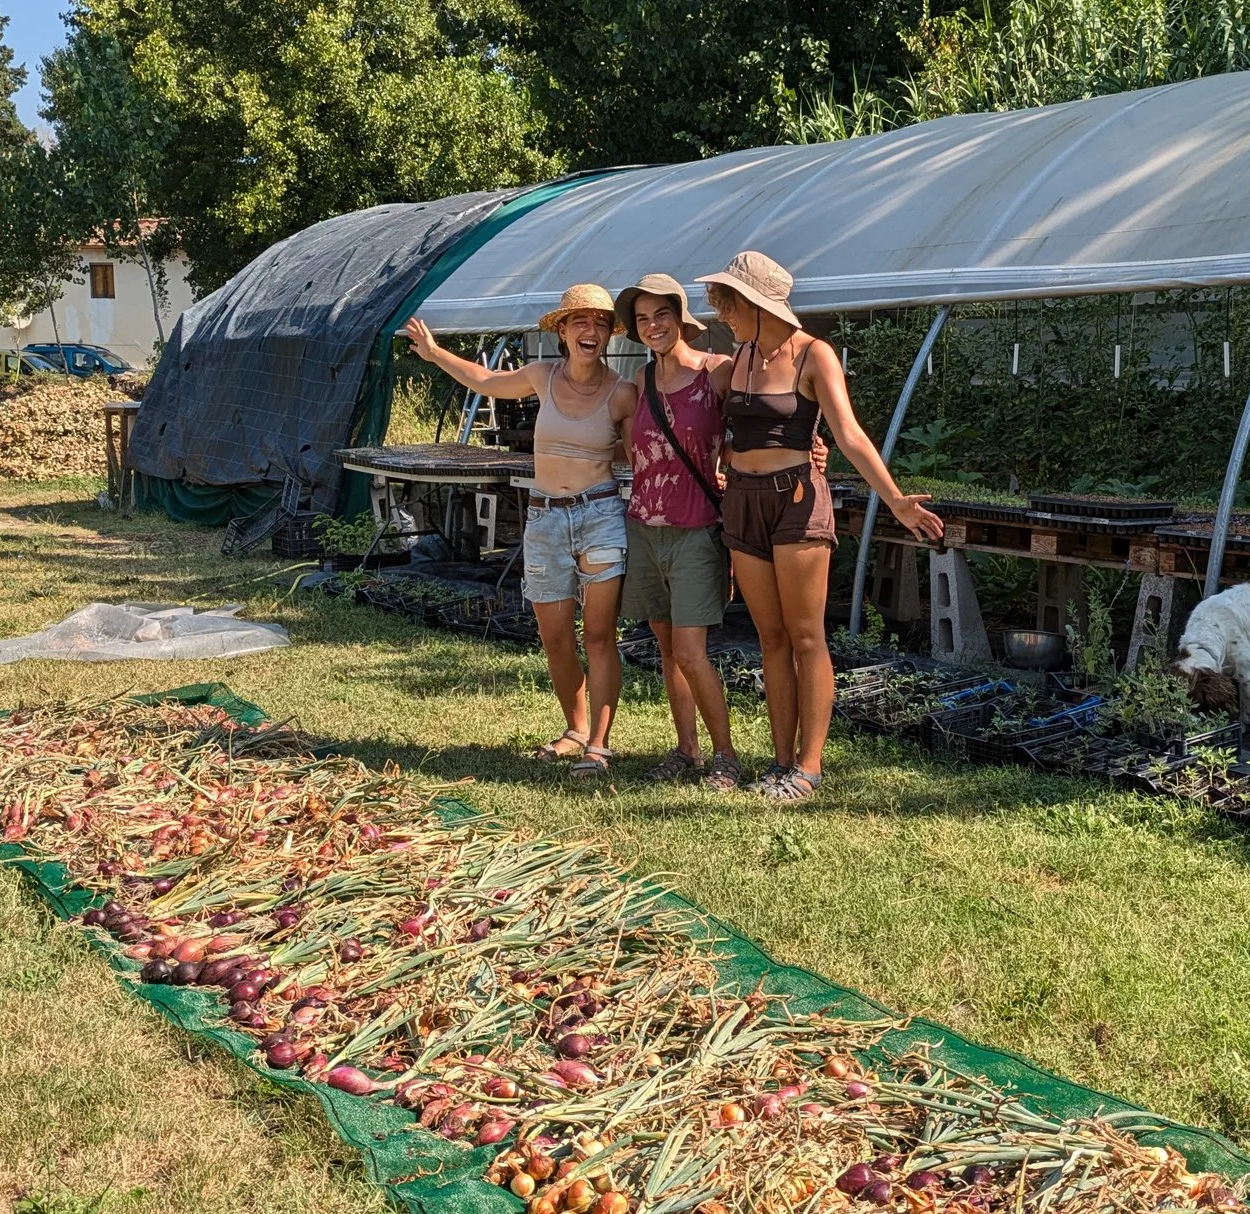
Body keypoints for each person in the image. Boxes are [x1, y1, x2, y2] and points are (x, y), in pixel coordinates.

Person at [698, 250, 945, 801]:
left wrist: (896, 500)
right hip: (742, 503)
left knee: (807, 636)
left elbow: (850, 435)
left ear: (757, 303)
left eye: (728, 303)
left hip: (797, 501)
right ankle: (780, 762)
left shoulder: (814, 354)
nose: (722, 314)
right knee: (771, 638)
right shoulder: (736, 355)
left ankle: (808, 768)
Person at [401, 286, 637, 774]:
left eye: (598, 323)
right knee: (554, 637)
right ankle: (574, 730)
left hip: (599, 515)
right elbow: (486, 380)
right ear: (563, 332)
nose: (589, 331)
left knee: (598, 635)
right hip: (544, 518)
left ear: (607, 335)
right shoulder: (541, 376)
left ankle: (600, 741)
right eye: (580, 323)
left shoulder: (623, 393)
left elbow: (640, 455)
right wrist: (434, 352)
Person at [614, 273, 740, 790]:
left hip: (697, 529)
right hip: (644, 527)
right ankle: (686, 750)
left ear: (679, 317)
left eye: (660, 315)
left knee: (691, 651)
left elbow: (763, 421)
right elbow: (623, 446)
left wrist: (810, 449)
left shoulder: (718, 372)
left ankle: (726, 756)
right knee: (667, 651)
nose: (651, 327)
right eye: (641, 320)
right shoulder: (637, 385)